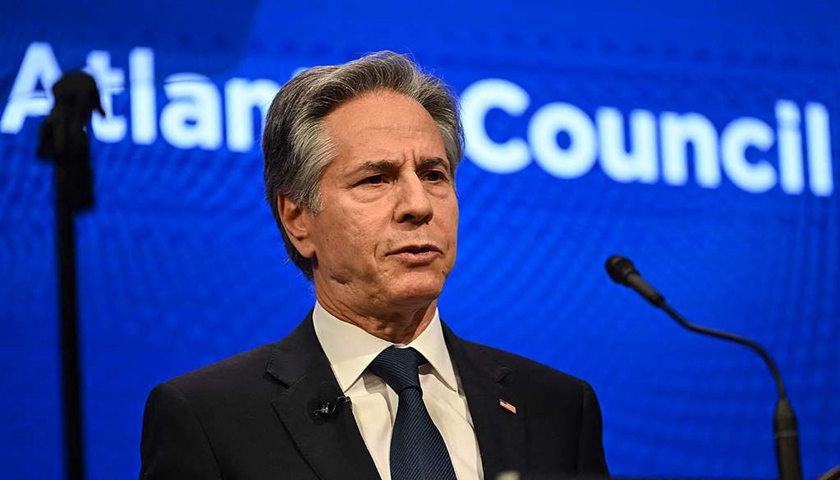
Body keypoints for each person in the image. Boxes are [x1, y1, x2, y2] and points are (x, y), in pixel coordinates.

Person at [139, 51, 609, 480]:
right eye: (376, 179)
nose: (418, 205)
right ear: (298, 218)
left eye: (434, 174)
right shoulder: (211, 419)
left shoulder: (558, 408)